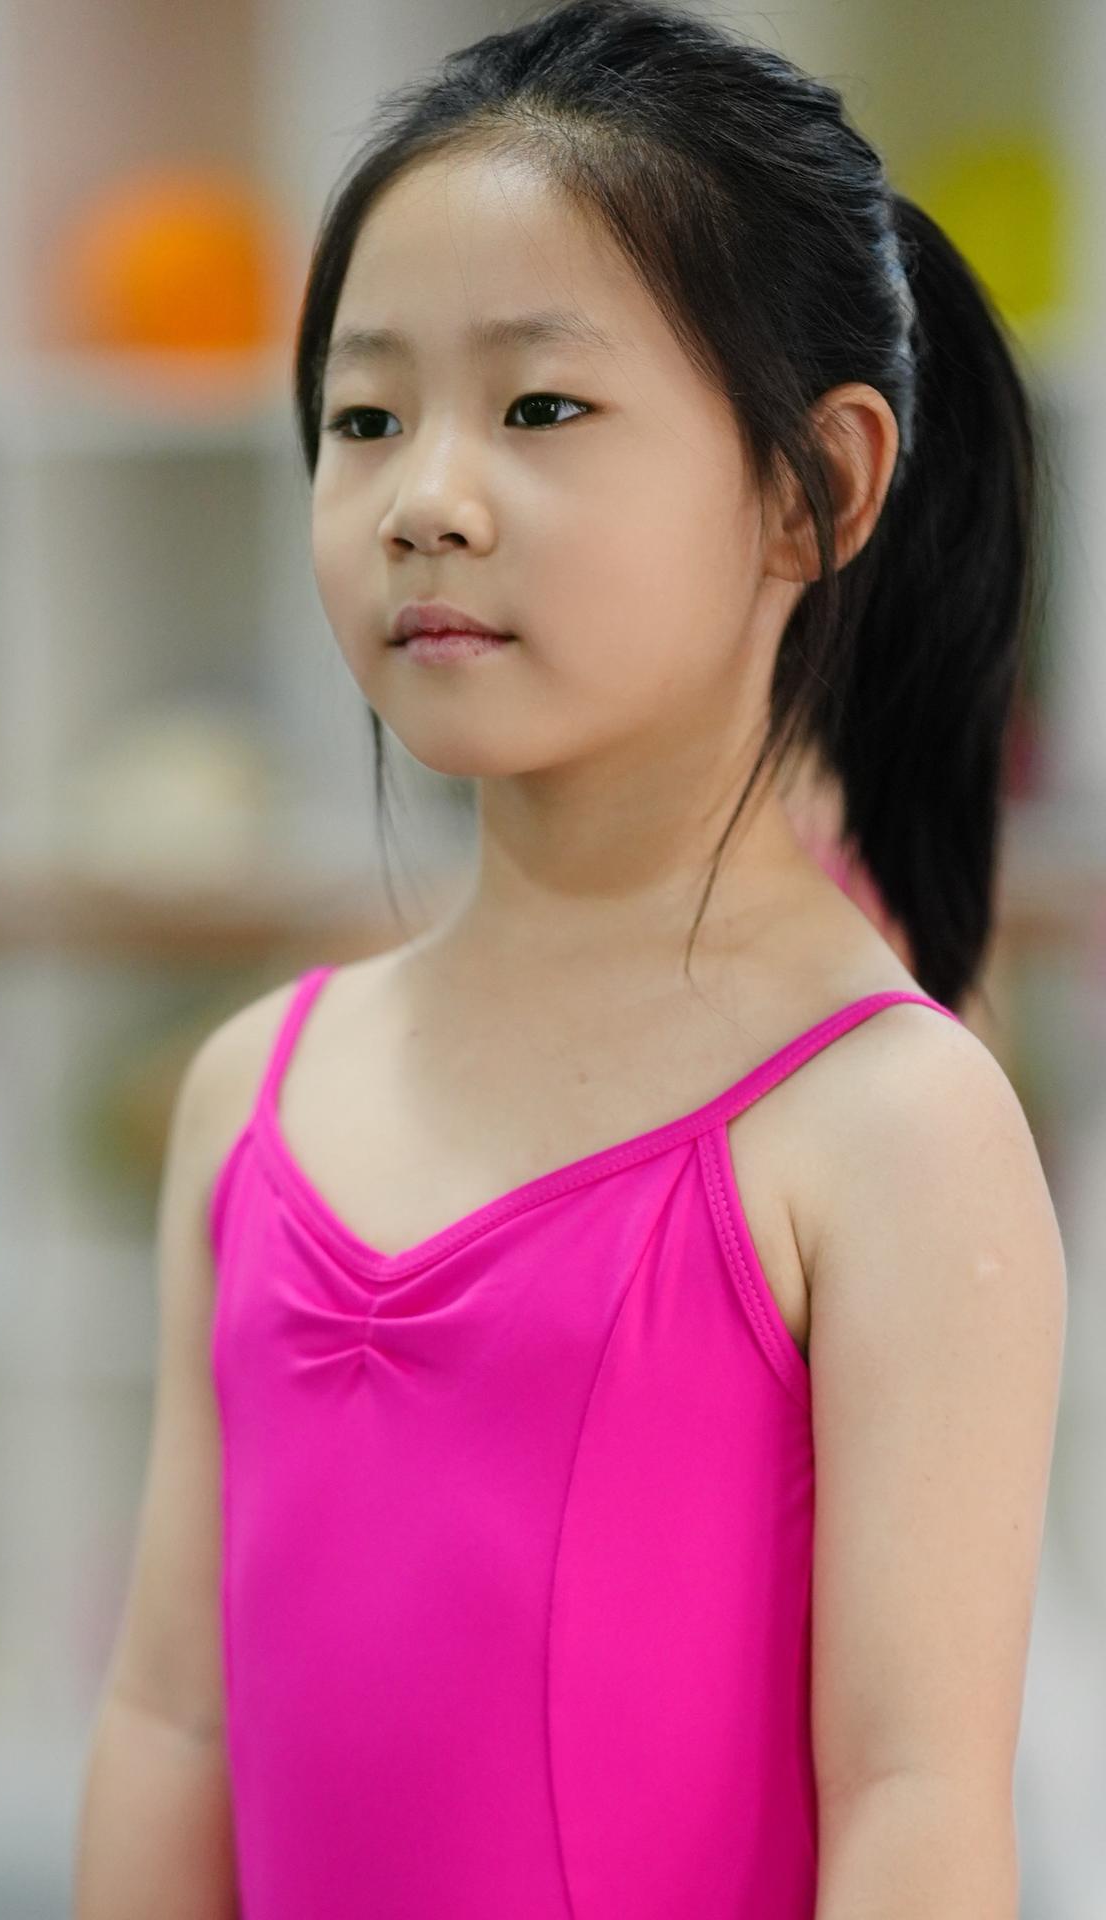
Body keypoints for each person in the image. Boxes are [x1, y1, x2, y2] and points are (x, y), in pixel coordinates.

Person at [74, 4, 1067, 1916]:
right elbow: (169, 1722)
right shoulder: (250, 1090)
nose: (425, 498)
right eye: (366, 417)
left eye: (539, 409)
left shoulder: (895, 1129)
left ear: (819, 486)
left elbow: (917, 1809)